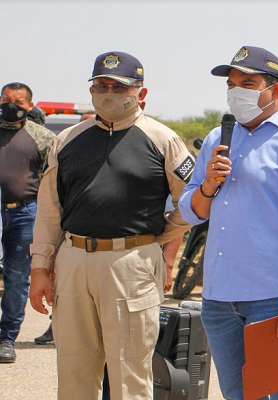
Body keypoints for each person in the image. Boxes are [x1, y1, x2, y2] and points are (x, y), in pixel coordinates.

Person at [28, 51, 193, 400]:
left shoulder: (163, 140)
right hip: (73, 260)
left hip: (131, 265)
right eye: (100, 85)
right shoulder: (68, 139)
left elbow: (192, 205)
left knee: (130, 373)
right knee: (74, 370)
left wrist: (158, 236)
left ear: (141, 93)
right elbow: (49, 210)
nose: (108, 93)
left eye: (119, 86)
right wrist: (40, 268)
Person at [178, 45, 278, 400]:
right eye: (231, 83)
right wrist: (208, 185)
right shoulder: (217, 139)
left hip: (275, 297)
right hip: (220, 298)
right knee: (237, 395)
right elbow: (190, 211)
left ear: (275, 90)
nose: (236, 92)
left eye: (247, 83)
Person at [0, 82, 55, 363]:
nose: (12, 106)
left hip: (25, 214)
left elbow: (54, 180)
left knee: (18, 276)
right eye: (6, 100)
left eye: (19, 102)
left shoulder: (42, 137)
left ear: (29, 106)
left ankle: (6, 337)